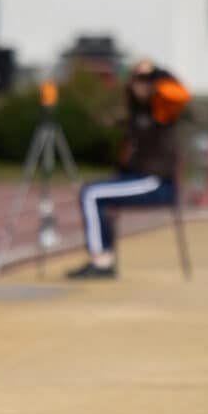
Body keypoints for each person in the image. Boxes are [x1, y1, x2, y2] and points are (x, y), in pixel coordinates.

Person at [66, 60, 191, 279]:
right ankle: (104, 257)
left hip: (156, 183)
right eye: (136, 80)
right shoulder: (136, 110)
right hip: (137, 178)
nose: (140, 85)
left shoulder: (162, 108)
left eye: (146, 81)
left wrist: (157, 74)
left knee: (91, 194)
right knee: (94, 193)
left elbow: (180, 94)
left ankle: (101, 261)